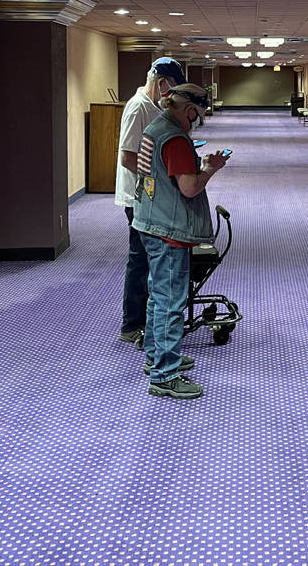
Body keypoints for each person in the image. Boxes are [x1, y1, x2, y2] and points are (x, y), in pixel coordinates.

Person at [132, 83, 229, 399]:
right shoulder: (175, 137)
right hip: (168, 231)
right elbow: (188, 188)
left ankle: (157, 358)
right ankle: (164, 375)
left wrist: (196, 167)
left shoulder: (156, 127)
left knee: (157, 297)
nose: (197, 120)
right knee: (171, 303)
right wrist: (209, 170)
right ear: (189, 110)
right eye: (198, 114)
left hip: (150, 221)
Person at [115, 57, 186, 343]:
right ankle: (132, 325)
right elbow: (127, 156)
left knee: (146, 259)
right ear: (161, 82)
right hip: (139, 197)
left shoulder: (152, 106)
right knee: (140, 260)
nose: (171, 96)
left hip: (150, 196)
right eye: (171, 89)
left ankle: (145, 321)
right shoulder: (137, 108)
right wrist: (158, 177)